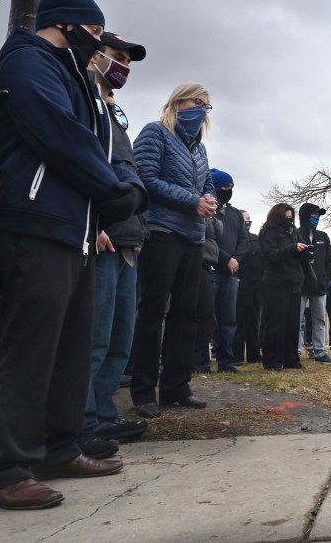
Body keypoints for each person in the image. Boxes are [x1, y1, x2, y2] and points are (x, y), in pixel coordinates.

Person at [0, 0, 147, 510]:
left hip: (75, 229)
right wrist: (114, 190)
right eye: (94, 34)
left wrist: (119, 189)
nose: (97, 46)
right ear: (67, 25)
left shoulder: (79, 79)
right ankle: (7, 468)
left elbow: (101, 144)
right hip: (35, 221)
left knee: (70, 349)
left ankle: (58, 446)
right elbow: (60, 136)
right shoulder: (27, 61)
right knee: (29, 349)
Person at [80, 31, 150, 456]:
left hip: (128, 242)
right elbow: (87, 166)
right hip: (102, 238)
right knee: (96, 337)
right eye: (117, 56)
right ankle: (82, 421)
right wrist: (97, 224)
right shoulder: (84, 100)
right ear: (96, 54)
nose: (122, 65)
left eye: (128, 59)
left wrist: (137, 232)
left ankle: (105, 414)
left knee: (121, 338)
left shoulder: (114, 111)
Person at [130, 83, 216, 418]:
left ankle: (176, 386)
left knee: (187, 313)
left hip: (193, 237)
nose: (202, 111)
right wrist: (191, 201)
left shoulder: (199, 149)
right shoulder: (156, 133)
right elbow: (146, 178)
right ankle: (142, 390)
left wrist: (207, 198)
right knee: (153, 311)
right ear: (179, 101)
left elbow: (205, 183)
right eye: (198, 102)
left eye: (207, 107)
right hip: (163, 231)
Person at [259, 203, 307, 371]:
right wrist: (292, 248)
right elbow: (271, 255)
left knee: (293, 322)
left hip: (294, 281)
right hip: (276, 281)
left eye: (291, 217)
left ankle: (291, 358)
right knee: (276, 321)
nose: (289, 220)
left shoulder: (294, 232)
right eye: (285, 217)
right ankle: (272, 359)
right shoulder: (268, 233)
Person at [210, 169, 249, 373]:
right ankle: (201, 362)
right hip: (211, 269)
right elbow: (209, 239)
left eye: (232, 187)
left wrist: (236, 259)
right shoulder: (209, 209)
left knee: (228, 320)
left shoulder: (235, 214)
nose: (229, 190)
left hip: (231, 275)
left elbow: (244, 241)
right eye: (226, 186)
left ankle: (226, 362)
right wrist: (226, 259)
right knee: (205, 317)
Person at [297, 203, 331, 365]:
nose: (316, 218)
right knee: (297, 320)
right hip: (300, 285)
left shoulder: (323, 236)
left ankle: (320, 352)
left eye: (318, 215)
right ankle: (296, 352)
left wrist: (325, 280)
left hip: (319, 286)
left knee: (319, 319)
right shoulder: (296, 235)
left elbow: (329, 261)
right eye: (313, 214)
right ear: (305, 216)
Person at [194, 215, 223, 374]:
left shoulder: (211, 213)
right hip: (193, 260)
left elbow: (219, 231)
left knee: (207, 315)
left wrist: (211, 216)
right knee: (190, 314)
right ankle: (189, 361)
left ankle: (196, 360)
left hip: (207, 263)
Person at [234, 210, 264, 364]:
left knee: (253, 321)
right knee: (238, 321)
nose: (248, 222)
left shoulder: (256, 240)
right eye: (245, 219)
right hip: (239, 284)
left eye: (249, 219)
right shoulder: (235, 238)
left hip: (255, 286)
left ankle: (253, 354)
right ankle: (237, 355)